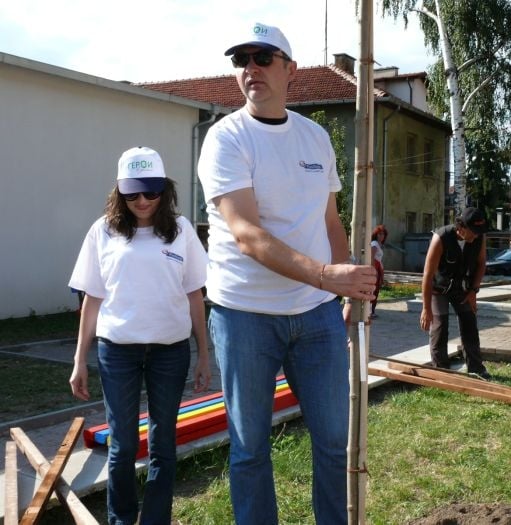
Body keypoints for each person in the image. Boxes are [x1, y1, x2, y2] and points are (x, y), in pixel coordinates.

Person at [196, 22, 376, 525]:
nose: (250, 68)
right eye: (242, 61)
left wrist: (345, 285)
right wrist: (326, 276)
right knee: (250, 448)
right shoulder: (225, 139)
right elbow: (247, 235)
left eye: (263, 57)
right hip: (245, 315)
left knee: (334, 440)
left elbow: (329, 220)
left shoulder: (315, 137)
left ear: (289, 69)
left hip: (316, 315)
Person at [68, 146, 210, 525]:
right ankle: (121, 519)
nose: (142, 201)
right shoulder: (103, 231)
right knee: (124, 445)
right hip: (118, 352)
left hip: (170, 352)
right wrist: (80, 359)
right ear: (119, 191)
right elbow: (92, 299)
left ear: (164, 190)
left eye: (150, 191)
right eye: (132, 193)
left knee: (163, 445)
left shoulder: (181, 232)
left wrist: (204, 355)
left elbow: (195, 295)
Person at [419, 208, 490, 379]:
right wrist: (426, 308)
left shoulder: (479, 237)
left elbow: (481, 264)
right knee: (439, 327)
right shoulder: (441, 238)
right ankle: (442, 371)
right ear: (462, 227)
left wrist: (473, 291)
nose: (476, 236)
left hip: (462, 288)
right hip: (438, 289)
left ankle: (475, 368)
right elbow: (428, 276)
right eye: (474, 232)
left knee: (469, 323)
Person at [370, 224, 388, 319]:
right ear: (376, 234)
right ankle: (369, 311)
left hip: (379, 267)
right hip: (375, 267)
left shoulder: (379, 244)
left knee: (376, 289)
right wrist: (374, 270)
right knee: (373, 289)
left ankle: (372, 310)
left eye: (383, 234)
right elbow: (372, 257)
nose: (381, 236)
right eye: (379, 234)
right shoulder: (374, 244)